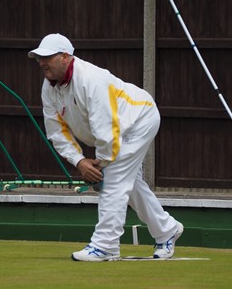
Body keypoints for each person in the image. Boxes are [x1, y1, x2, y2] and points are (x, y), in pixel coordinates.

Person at [28, 33, 183, 261]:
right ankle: (167, 229)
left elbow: (105, 127)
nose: (41, 62)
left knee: (112, 180)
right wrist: (80, 161)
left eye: (47, 57)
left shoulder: (91, 79)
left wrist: (100, 165)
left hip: (140, 119)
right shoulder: (49, 88)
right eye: (39, 58)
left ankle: (106, 246)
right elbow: (56, 131)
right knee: (129, 183)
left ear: (64, 57)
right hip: (116, 130)